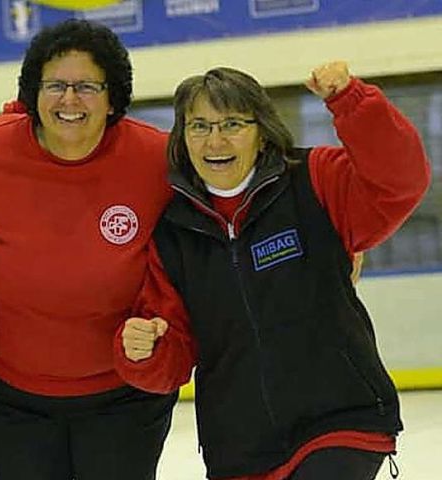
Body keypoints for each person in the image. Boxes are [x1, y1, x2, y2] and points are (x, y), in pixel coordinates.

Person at [116, 61, 430, 479]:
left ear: (261, 130)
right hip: (241, 448)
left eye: (232, 123)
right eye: (199, 126)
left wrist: (353, 103)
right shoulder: (172, 233)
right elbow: (171, 357)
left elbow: (399, 182)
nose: (215, 140)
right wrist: (145, 350)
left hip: (338, 422)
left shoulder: (314, 180)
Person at [0, 19, 177, 480]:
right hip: (12, 398)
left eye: (87, 87)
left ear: (113, 98)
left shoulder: (157, 159)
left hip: (125, 395)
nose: (69, 100)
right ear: (33, 94)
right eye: (55, 85)